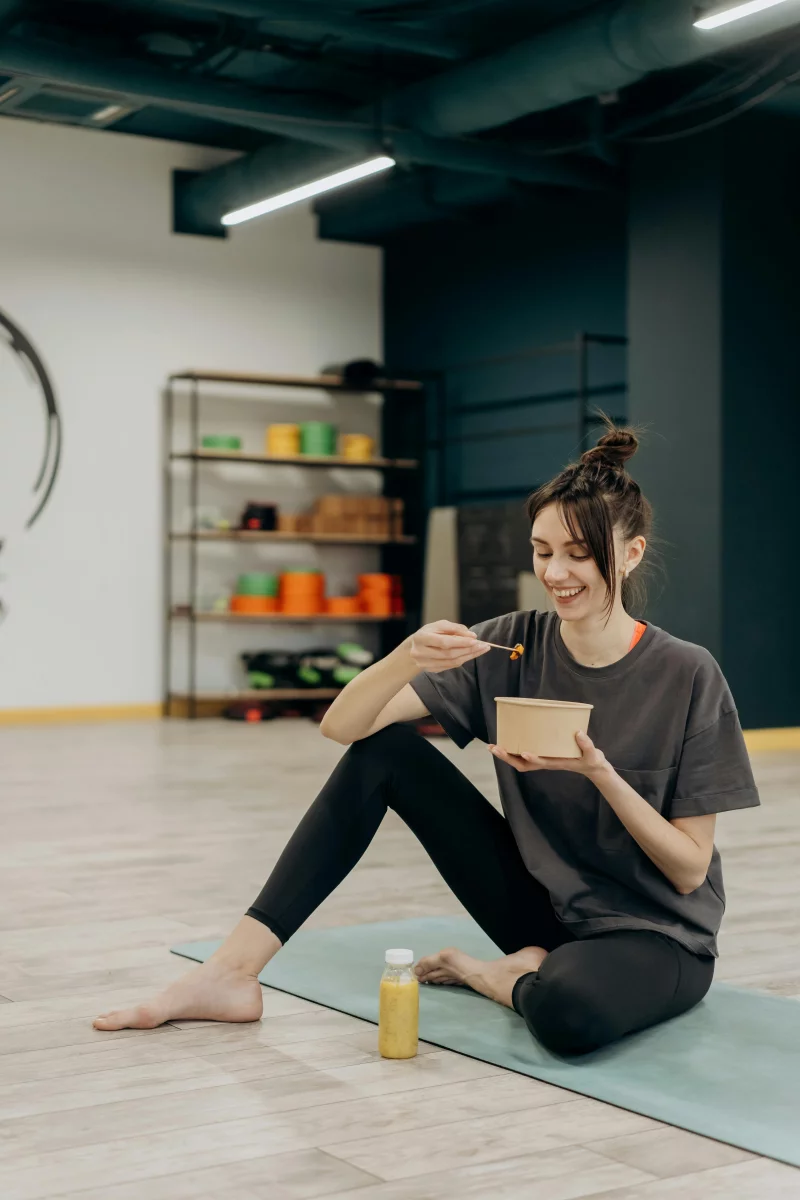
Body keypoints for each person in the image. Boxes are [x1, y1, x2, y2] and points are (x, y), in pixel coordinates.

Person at [95, 424, 759, 1055]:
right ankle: (231, 973)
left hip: (654, 936)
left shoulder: (687, 673)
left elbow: (688, 869)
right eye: (543, 551)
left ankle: (495, 976)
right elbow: (343, 728)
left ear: (632, 552)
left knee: (567, 1016)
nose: (556, 572)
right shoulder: (512, 643)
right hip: (545, 911)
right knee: (386, 754)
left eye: (579, 555)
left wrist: (600, 774)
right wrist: (406, 655)